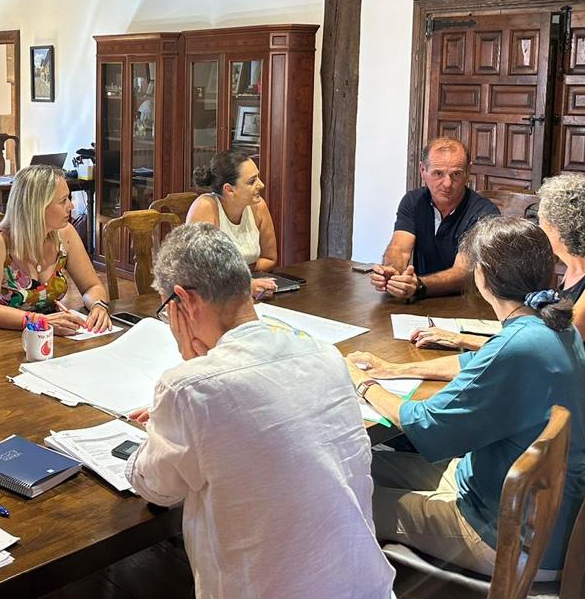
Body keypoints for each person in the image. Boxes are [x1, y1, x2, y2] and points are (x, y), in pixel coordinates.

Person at [126, 223, 395, 599]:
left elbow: (155, 487)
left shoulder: (190, 388)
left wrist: (160, 424)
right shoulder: (326, 355)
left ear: (183, 302)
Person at [348, 217, 585, 578]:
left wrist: (364, 384)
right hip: (535, 507)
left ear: (482, 277)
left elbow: (428, 424)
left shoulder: (518, 346)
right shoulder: (555, 324)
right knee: (358, 461)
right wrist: (391, 370)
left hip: (510, 535)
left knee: (344, 500)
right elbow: (478, 361)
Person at [412, 173, 585, 458]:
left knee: (489, 422)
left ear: (562, 226)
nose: (538, 227)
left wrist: (463, 339)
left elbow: (548, 347)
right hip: (576, 400)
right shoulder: (573, 272)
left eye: (541, 219)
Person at [0, 164, 111, 336]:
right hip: (3, 338)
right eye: (63, 201)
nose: (71, 206)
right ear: (37, 207)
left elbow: (92, 286)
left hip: (51, 337)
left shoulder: (65, 234)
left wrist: (98, 305)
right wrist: (40, 320)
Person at [371, 137, 499, 300]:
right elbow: (399, 249)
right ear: (422, 170)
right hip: (420, 299)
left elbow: (463, 274)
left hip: (467, 303)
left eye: (456, 174)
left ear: (468, 172)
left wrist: (418, 285)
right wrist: (391, 272)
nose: (447, 183)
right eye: (438, 173)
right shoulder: (413, 201)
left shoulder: (484, 212)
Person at [186, 149, 278, 298]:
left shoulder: (259, 207)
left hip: (244, 294)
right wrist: (244, 284)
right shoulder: (205, 208)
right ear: (229, 190)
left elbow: (270, 258)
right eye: (252, 181)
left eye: (258, 178)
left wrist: (240, 278)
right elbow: (200, 271)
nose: (261, 185)